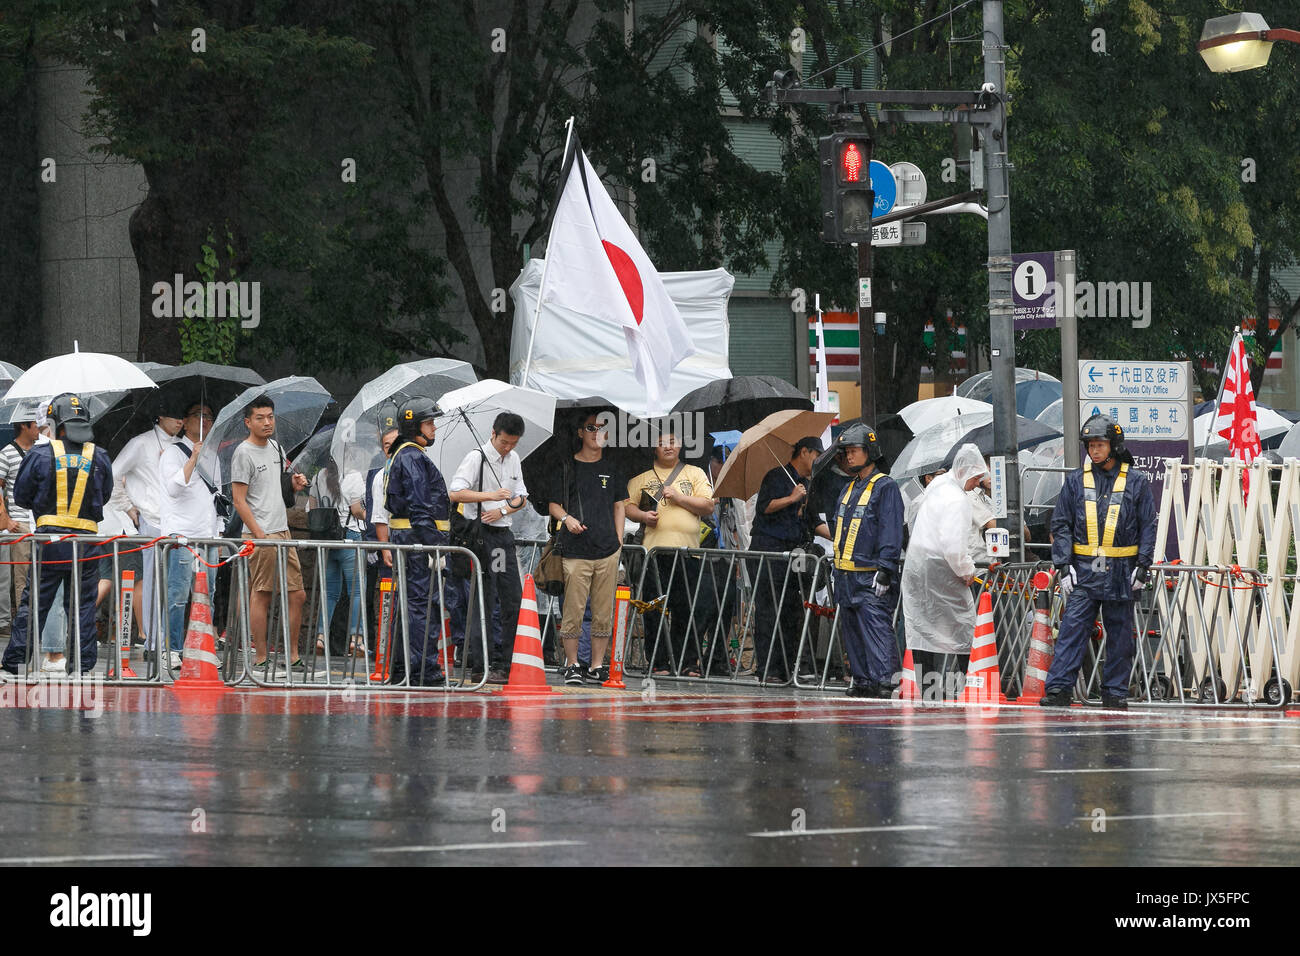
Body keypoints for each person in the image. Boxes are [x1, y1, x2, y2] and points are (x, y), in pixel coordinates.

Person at [1041, 414, 1156, 710]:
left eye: (1100, 444)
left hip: (1122, 571)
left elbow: (1148, 525)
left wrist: (1143, 565)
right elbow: (1061, 524)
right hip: (1084, 571)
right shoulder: (1076, 481)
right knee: (1072, 629)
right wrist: (1063, 566)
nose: (1094, 450)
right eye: (1090, 445)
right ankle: (1058, 690)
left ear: (1114, 446)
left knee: (1120, 636)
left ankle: (1115, 692)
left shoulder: (1136, 481)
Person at [0, 394, 114, 679]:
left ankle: (14, 664)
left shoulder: (39, 454)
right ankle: (82, 667)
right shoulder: (99, 455)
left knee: (35, 603)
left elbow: (22, 497)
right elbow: (107, 494)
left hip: (49, 542)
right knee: (83, 606)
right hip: (86, 543)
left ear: (55, 423)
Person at [822, 423, 904, 698]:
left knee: (877, 629)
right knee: (853, 632)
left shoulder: (885, 487)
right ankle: (863, 679)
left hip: (870, 575)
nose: (848, 457)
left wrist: (886, 569)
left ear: (869, 451)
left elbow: (890, 530)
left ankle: (885, 681)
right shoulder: (848, 488)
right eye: (845, 452)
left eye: (854, 451)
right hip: (846, 576)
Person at [901, 444, 988, 698]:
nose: (976, 484)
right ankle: (968, 685)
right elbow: (953, 547)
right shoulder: (957, 499)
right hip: (941, 570)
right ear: (965, 472)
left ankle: (928, 688)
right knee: (964, 627)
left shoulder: (936, 487)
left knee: (921, 629)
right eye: (975, 478)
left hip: (917, 566)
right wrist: (967, 571)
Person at [231, 394, 310, 673]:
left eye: (270, 416)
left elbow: (279, 486)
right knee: (262, 593)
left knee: (297, 594)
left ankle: (292, 654)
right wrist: (258, 534)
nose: (267, 422)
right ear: (248, 422)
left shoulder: (276, 447)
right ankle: (261, 655)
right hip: (260, 533)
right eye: (260, 418)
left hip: (283, 529)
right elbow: (239, 499)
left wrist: (295, 483)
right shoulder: (243, 452)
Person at [448, 411, 529, 684]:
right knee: (484, 596)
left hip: (503, 532)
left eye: (513, 443)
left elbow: (521, 497)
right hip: (481, 535)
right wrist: (489, 497)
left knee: (511, 599)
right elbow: (455, 492)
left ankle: (505, 663)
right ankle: (480, 663)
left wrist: (503, 508)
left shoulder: (514, 459)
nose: (508, 448)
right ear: (493, 434)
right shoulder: (476, 457)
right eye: (504, 442)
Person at [626, 430, 715, 676]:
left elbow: (707, 505)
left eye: (673, 442)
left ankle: (686, 661)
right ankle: (658, 661)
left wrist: (678, 497)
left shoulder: (695, 473)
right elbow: (627, 507)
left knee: (686, 608)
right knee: (653, 609)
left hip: (689, 554)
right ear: (654, 447)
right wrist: (643, 516)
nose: (668, 447)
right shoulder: (641, 477)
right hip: (653, 554)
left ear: (681, 445)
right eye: (662, 442)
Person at [546, 413, 625, 685]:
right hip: (575, 550)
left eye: (603, 428)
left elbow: (619, 504)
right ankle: (572, 663)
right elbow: (553, 505)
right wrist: (566, 519)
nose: (597, 432)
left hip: (607, 549)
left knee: (603, 612)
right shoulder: (567, 466)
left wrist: (618, 540)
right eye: (591, 428)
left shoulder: (613, 467)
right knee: (573, 610)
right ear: (580, 432)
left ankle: (597, 665)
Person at [383, 397, 451, 686]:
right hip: (419, 542)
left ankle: (404, 668)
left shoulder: (404, 454)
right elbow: (420, 506)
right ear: (414, 427)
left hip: (412, 539)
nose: (434, 427)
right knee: (423, 606)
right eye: (429, 422)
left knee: (411, 606)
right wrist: (433, 544)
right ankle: (423, 669)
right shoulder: (412, 457)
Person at [109, 410, 183, 657]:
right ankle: (152, 640)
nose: (179, 420)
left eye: (183, 416)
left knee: (176, 585)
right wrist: (130, 508)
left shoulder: (183, 446)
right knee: (150, 582)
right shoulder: (140, 443)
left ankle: (171, 642)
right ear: (160, 416)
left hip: (177, 521)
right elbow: (113, 474)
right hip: (150, 519)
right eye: (175, 415)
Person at [748, 435, 822, 682]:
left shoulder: (807, 483)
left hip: (794, 553)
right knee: (769, 611)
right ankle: (768, 668)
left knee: (791, 611)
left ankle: (787, 667)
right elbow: (765, 507)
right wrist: (791, 498)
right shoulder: (776, 476)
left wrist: (841, 536)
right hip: (768, 551)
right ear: (804, 452)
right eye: (816, 455)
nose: (818, 460)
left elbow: (814, 522)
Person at [159, 402, 222, 669]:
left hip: (207, 534)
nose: (204, 421)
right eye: (198, 415)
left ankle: (202, 648)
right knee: (178, 595)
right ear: (185, 421)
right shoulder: (172, 453)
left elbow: (217, 496)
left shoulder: (214, 455)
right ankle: (172, 648)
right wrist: (193, 458)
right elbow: (174, 489)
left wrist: (218, 535)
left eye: (208, 416)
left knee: (208, 593)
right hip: (182, 534)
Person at [308, 456, 367, 657]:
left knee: (330, 592)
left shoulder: (317, 477)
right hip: (349, 535)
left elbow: (312, 509)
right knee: (357, 591)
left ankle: (321, 636)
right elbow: (357, 510)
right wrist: (370, 515)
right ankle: (356, 639)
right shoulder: (354, 476)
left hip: (326, 540)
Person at [0, 415, 39, 653]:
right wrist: (6, 519)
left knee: (40, 573)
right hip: (21, 522)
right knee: (22, 575)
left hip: (41, 522)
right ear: (24, 426)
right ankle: (24, 624)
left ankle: (35, 619)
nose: (38, 429)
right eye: (35, 425)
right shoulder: (7, 453)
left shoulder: (43, 449)